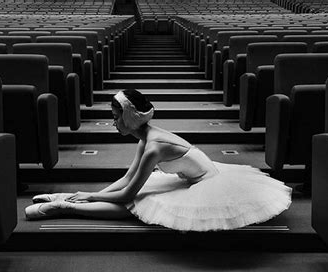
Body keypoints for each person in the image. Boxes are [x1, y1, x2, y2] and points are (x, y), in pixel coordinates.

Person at [25, 89, 292, 231]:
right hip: (184, 178)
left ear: (130, 117)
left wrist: (91, 196)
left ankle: (64, 207)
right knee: (133, 198)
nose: (113, 122)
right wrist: (87, 193)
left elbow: (127, 192)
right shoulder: (145, 137)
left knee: (133, 204)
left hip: (204, 184)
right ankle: (65, 197)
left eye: (117, 117)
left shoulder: (154, 146)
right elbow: (127, 177)